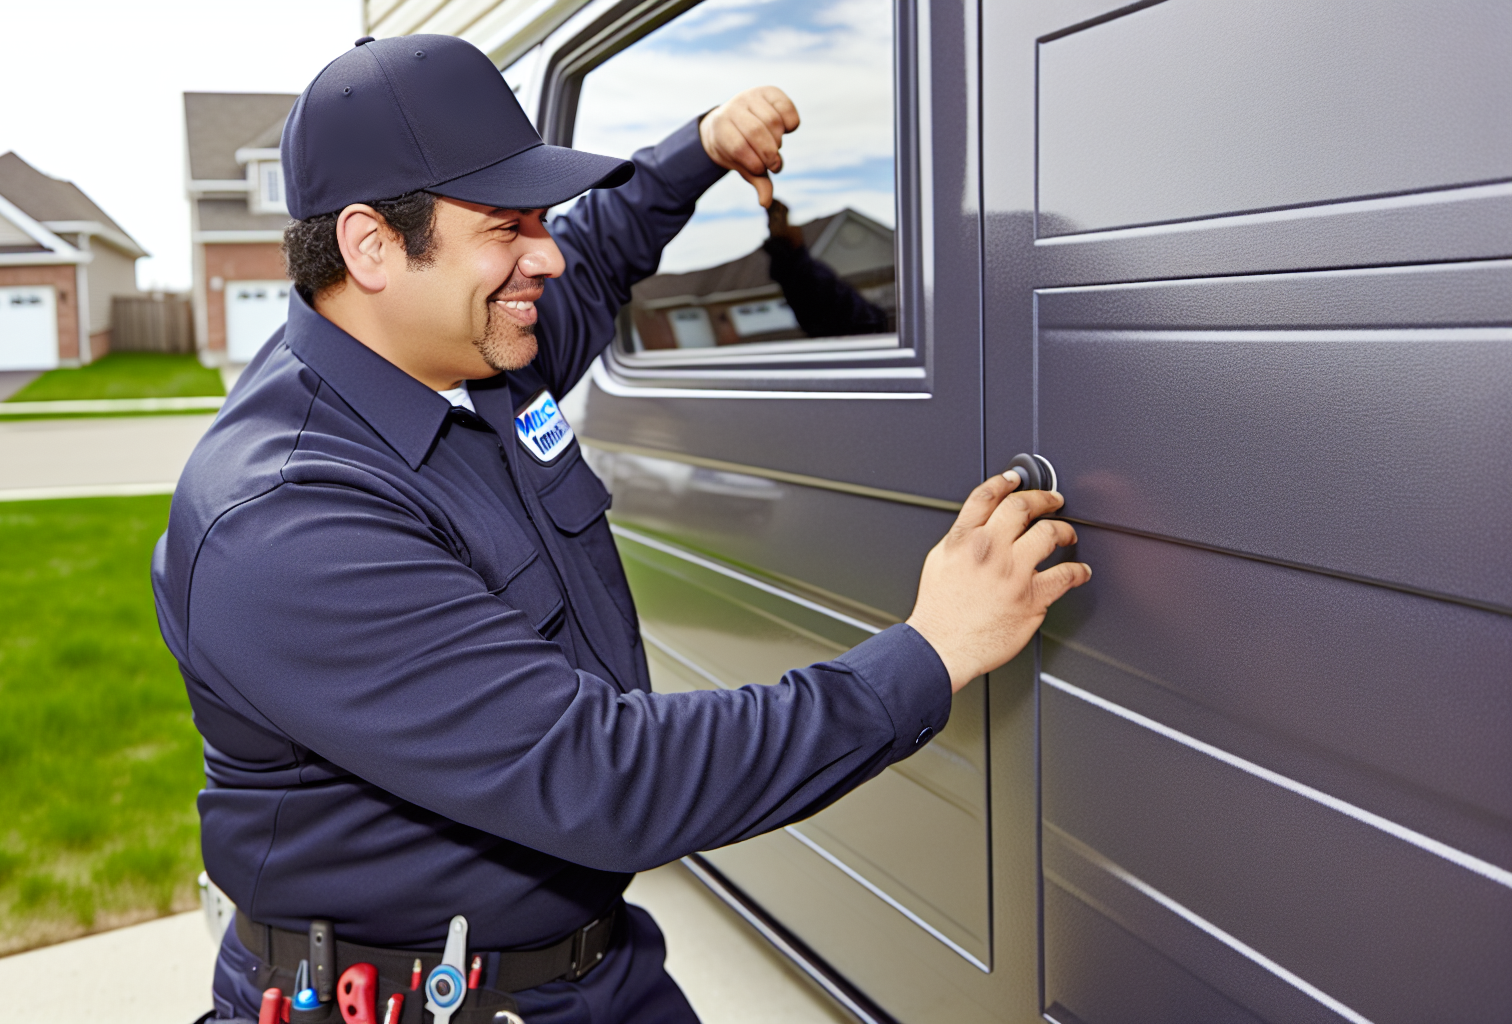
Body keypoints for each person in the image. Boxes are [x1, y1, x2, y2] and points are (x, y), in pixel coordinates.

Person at [153, 34, 1089, 1024]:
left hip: (593, 973)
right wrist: (932, 649)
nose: (544, 253)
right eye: (507, 225)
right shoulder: (289, 520)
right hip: (407, 1000)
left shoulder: (472, 357)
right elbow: (607, 773)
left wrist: (703, 149)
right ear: (372, 247)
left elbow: (597, 251)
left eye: (541, 218)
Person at [762, 199, 891, 337]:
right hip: (855, 333)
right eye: (781, 222)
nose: (794, 228)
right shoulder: (806, 277)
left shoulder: (804, 272)